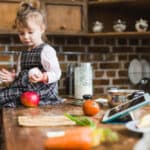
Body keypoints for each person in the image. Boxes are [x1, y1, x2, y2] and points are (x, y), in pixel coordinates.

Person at [0, 0, 63, 107]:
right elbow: (21, 76)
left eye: (30, 32)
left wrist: (42, 76)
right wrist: (13, 77)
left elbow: (56, 73)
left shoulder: (46, 51)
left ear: (42, 29)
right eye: (21, 33)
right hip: (25, 90)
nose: (25, 36)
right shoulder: (23, 54)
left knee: (5, 98)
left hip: (41, 92)